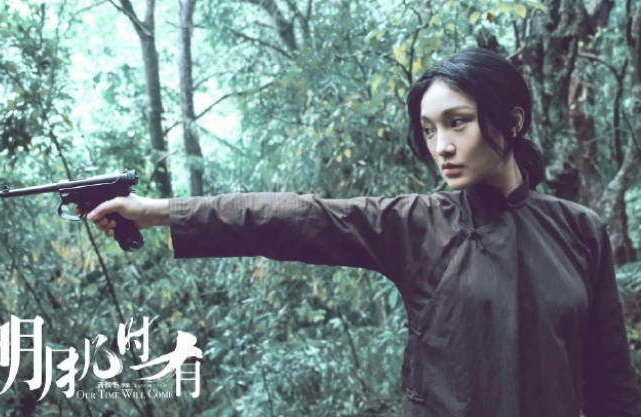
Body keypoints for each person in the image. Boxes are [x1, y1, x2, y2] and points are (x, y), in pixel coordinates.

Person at [83, 48, 641, 416]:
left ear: (513, 121)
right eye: (429, 130)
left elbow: (612, 386)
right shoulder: (418, 226)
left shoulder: (579, 231)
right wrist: (156, 211)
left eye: (458, 122)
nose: (441, 146)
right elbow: (292, 217)